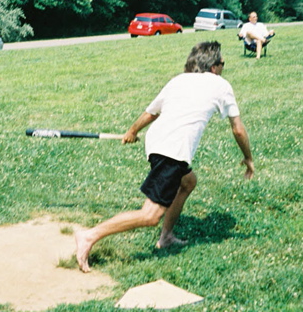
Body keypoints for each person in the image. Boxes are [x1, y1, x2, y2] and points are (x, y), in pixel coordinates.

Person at [75, 41, 254, 273]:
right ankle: (89, 235)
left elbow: (151, 112)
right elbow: (238, 129)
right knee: (150, 215)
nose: (223, 68)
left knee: (188, 181)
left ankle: (167, 236)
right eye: (222, 64)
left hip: (157, 142)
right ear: (214, 66)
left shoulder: (178, 80)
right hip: (173, 150)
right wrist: (248, 158)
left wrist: (132, 131)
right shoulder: (221, 85)